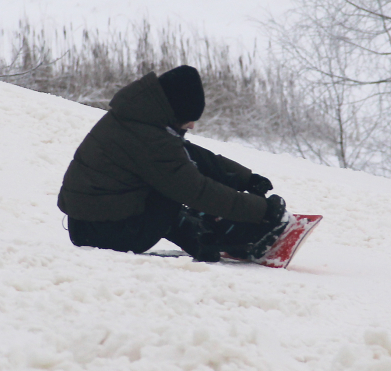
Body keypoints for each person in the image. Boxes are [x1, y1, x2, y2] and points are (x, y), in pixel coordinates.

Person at [57, 65, 290, 262]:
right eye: (190, 119)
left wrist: (244, 178)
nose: (192, 126)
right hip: (106, 233)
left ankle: (203, 236)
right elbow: (195, 189)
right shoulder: (149, 140)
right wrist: (262, 211)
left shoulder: (136, 119)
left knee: (171, 183)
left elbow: (188, 154)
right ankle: (239, 233)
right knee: (175, 188)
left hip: (89, 224)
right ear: (176, 110)